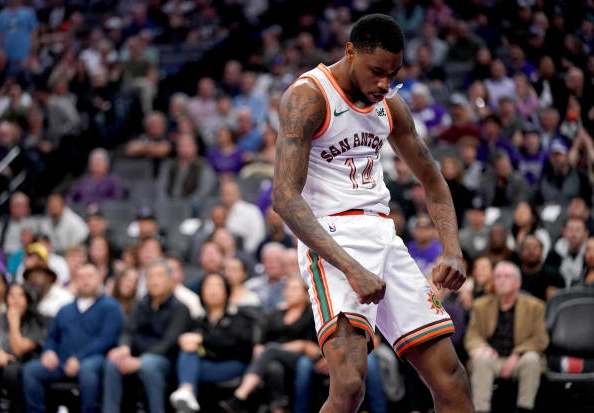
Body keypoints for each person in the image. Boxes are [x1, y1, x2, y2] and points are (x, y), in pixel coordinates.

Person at [272, 14, 473, 413]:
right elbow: (284, 196)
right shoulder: (309, 96)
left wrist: (452, 248)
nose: (385, 83)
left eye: (394, 74)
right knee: (348, 384)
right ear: (350, 52)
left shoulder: (390, 105)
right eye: (377, 72)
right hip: (331, 239)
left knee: (452, 379)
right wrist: (349, 266)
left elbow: (433, 179)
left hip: (384, 236)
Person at [22, 263, 124, 413]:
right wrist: (49, 352)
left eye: (90, 276)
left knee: (88, 370)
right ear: (75, 281)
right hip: (62, 361)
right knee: (30, 371)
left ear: (99, 279)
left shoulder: (111, 307)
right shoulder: (65, 310)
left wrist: (79, 359)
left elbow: (106, 339)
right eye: (81, 277)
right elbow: (51, 337)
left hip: (95, 360)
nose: (85, 281)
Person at [102, 259, 191, 413]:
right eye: (150, 276)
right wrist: (124, 348)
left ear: (170, 280)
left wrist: (140, 360)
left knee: (149, 365)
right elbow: (128, 330)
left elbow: (169, 342)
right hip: (136, 356)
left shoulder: (180, 308)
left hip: (163, 360)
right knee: (113, 362)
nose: (154, 281)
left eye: (159, 276)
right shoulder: (140, 304)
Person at [220, 275, 318, 413]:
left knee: (271, 350)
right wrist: (260, 346)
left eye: (294, 289)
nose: (290, 292)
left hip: (300, 358)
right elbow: (263, 335)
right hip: (274, 357)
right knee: (273, 367)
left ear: (305, 293)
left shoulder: (311, 315)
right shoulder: (277, 313)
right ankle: (277, 408)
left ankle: (240, 396)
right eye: (287, 289)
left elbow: (308, 346)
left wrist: (276, 349)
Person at [465, 261, 549, 413]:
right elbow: (472, 335)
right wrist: (482, 348)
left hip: (519, 360)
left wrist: (517, 354)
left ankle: (524, 408)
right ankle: (480, 409)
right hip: (492, 359)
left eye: (507, 276)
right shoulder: (480, 305)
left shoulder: (536, 306)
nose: (501, 280)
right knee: (481, 359)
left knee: (532, 359)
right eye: (497, 276)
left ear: (518, 282)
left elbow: (540, 339)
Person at [169, 272, 254, 413]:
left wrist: (202, 340)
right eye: (208, 285)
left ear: (226, 291)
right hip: (205, 363)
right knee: (187, 352)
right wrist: (183, 341)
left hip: (232, 364)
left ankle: (186, 391)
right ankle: (186, 394)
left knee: (186, 369)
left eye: (218, 285)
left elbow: (240, 344)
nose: (213, 290)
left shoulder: (238, 316)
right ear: (201, 292)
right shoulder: (198, 320)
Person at [0, 284, 45, 413]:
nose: (15, 300)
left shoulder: (36, 321)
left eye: (20, 296)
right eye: (11, 296)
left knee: (11, 372)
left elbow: (19, 349)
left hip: (25, 363)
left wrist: (14, 323)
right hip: (1, 361)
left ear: (27, 299)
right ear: (6, 299)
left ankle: (18, 408)